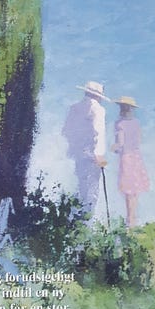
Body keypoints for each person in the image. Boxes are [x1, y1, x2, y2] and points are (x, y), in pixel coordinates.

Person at [62, 81, 108, 213]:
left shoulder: (74, 108)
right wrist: (99, 155)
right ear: (98, 96)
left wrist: (75, 144)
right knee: (92, 190)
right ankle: (87, 219)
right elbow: (98, 132)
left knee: (81, 186)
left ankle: (77, 216)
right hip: (92, 155)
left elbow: (65, 131)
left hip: (78, 154)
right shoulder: (98, 109)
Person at [111, 96, 149, 227]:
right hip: (136, 157)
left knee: (128, 191)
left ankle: (130, 221)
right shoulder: (136, 123)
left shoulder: (119, 124)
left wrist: (114, 148)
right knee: (135, 191)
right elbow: (138, 141)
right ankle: (133, 219)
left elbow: (120, 144)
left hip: (126, 158)